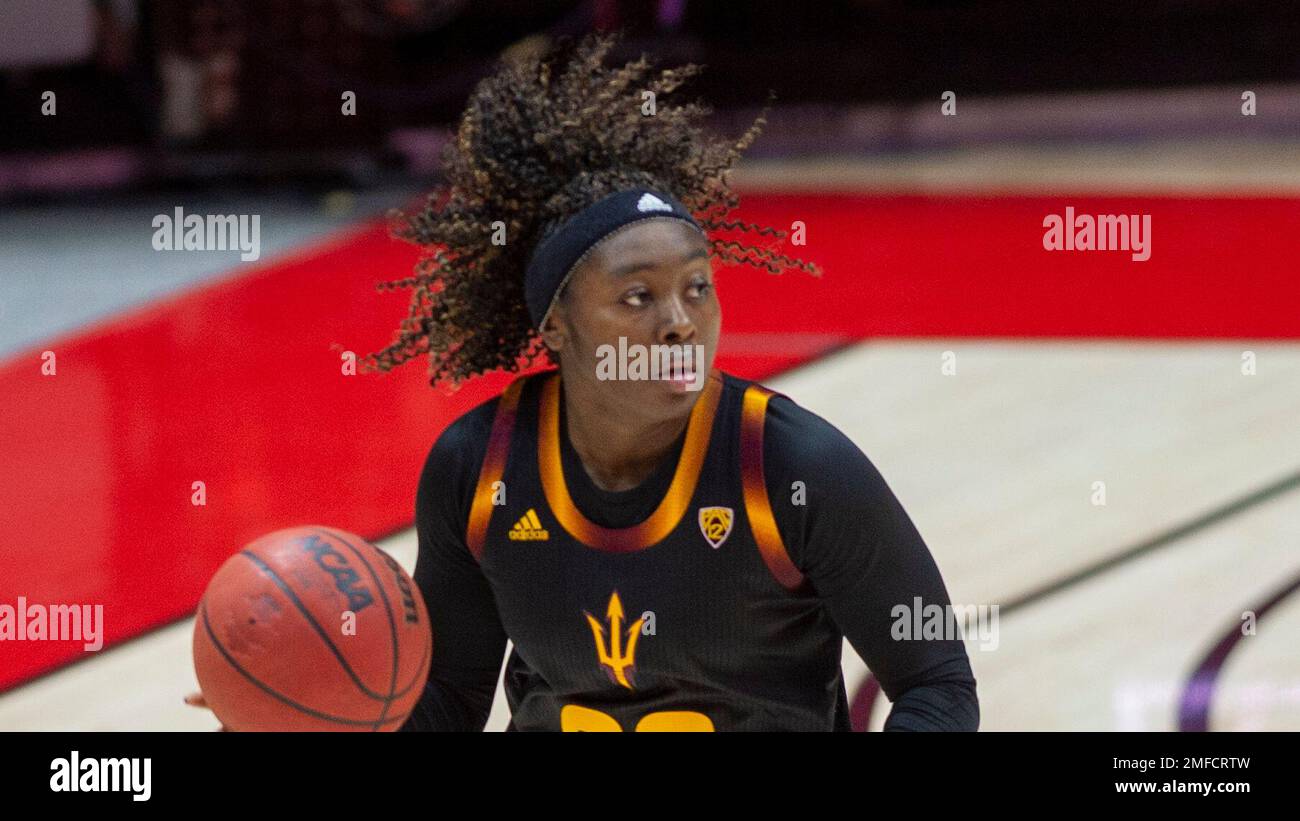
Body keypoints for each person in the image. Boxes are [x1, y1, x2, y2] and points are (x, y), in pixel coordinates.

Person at [371, 33, 978, 732]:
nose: (680, 323)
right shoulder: (479, 469)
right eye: (638, 297)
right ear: (556, 327)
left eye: (697, 288)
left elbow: (937, 683)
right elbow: (448, 701)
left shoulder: (795, 468)